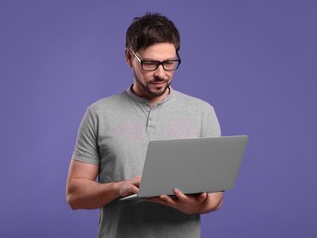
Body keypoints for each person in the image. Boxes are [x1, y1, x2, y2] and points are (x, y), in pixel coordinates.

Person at [66, 12, 224, 237]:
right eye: (150, 63)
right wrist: (118, 188)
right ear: (130, 58)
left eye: (169, 63)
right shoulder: (98, 114)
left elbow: (216, 197)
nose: (161, 74)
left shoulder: (202, 113)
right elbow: (75, 195)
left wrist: (192, 206)